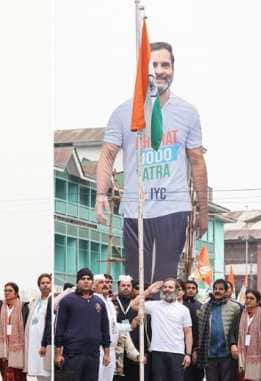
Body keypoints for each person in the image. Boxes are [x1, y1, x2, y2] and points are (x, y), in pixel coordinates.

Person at [96, 41, 208, 285]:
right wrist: (100, 195)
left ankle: (161, 322)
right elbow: (107, 154)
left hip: (174, 209)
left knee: (165, 280)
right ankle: (140, 323)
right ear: (142, 70)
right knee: (136, 282)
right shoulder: (123, 113)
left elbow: (197, 161)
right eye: (153, 65)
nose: (159, 71)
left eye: (165, 65)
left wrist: (204, 211)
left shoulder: (188, 112)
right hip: (136, 210)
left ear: (173, 68)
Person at [54, 268, 111, 381]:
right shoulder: (67, 301)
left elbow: (105, 328)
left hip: (93, 355)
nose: (86, 281)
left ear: (92, 282)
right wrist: (58, 354)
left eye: (89, 279)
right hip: (72, 355)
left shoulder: (99, 302)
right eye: (83, 279)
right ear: (77, 281)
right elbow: (59, 329)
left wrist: (107, 353)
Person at [133, 278, 193, 381]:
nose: (167, 289)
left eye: (170, 287)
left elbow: (188, 333)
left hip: (177, 353)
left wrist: (188, 354)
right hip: (157, 352)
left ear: (177, 290)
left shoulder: (183, 310)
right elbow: (134, 305)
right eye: (165, 287)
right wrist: (149, 291)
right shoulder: (154, 306)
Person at [194, 280, 241, 381]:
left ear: (226, 291)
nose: (217, 291)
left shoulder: (235, 308)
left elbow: (237, 330)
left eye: (220, 289)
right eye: (215, 288)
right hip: (209, 355)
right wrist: (196, 349)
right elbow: (200, 330)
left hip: (227, 354)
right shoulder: (205, 307)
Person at [94, 274, 131, 381]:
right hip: (99, 349)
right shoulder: (94, 301)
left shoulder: (109, 302)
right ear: (94, 286)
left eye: (107, 282)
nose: (105, 285)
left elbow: (113, 326)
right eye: (101, 282)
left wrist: (132, 325)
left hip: (111, 349)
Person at [111, 275, 148, 381]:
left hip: (135, 348)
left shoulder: (138, 304)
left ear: (132, 288)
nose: (126, 288)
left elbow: (146, 330)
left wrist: (145, 351)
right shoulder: (111, 302)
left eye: (128, 286)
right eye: (123, 285)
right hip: (116, 349)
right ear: (119, 286)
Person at [0, 283, 29, 381]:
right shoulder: (0, 307)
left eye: (10, 290)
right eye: (5, 290)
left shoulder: (24, 307)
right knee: (6, 378)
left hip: (19, 350)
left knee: (18, 378)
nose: (6, 293)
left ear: (16, 293)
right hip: (4, 349)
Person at [25, 273, 53, 381]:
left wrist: (45, 344)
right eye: (43, 283)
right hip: (35, 347)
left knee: (49, 375)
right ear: (39, 285)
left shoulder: (54, 301)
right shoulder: (35, 302)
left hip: (48, 345)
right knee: (41, 379)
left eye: (48, 282)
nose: (45, 285)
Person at [238, 289, 261, 381]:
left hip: (257, 357)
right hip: (243, 356)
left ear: (258, 301)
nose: (248, 300)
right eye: (247, 298)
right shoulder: (241, 314)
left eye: (251, 298)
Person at [182, 281, 204, 381]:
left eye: (193, 288)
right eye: (188, 288)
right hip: (182, 350)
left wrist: (196, 349)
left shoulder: (201, 306)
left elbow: (201, 330)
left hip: (197, 350)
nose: (190, 290)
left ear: (196, 290)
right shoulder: (180, 306)